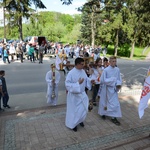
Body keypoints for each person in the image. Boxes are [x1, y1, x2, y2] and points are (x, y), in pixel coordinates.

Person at [65, 57, 94, 132]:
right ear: (77, 64)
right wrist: (78, 84)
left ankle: (80, 120)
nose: (83, 66)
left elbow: (86, 79)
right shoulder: (71, 73)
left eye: (83, 64)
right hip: (74, 96)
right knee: (74, 111)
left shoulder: (83, 71)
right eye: (81, 64)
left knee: (83, 109)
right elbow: (67, 84)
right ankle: (73, 125)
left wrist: (91, 81)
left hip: (82, 94)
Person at [98, 56, 122, 125]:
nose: (114, 62)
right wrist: (112, 80)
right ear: (109, 62)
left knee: (115, 103)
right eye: (113, 61)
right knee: (104, 102)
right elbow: (103, 80)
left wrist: (118, 84)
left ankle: (113, 117)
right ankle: (103, 113)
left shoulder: (117, 70)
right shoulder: (106, 70)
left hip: (113, 89)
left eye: (115, 61)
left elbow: (118, 79)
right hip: (106, 89)